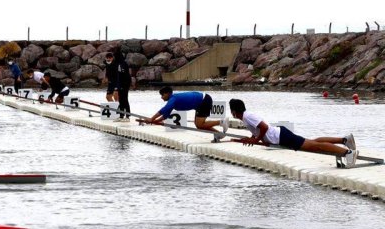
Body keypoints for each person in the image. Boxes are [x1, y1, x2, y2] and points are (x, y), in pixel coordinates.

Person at [228, 99, 357, 166]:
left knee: (315, 146)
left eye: (231, 110)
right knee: (313, 142)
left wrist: (256, 140)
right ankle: (345, 140)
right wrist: (253, 138)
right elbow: (257, 130)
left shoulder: (247, 116)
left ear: (234, 111)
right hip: (280, 135)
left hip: (281, 137)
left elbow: (264, 127)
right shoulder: (245, 117)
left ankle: (348, 153)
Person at [140, 86, 220, 131]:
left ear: (168, 94)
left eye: (162, 95)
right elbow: (166, 115)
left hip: (204, 100)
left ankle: (221, 122)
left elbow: (164, 109)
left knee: (200, 124)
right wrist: (155, 121)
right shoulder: (172, 100)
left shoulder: (173, 99)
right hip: (200, 102)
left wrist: (152, 119)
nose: (161, 97)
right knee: (198, 125)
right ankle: (219, 134)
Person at [104, 49, 133, 118]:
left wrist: (120, 85)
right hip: (116, 82)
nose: (109, 59)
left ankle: (127, 115)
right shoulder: (111, 63)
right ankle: (120, 114)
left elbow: (125, 75)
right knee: (118, 99)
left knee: (123, 99)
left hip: (122, 83)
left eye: (112, 57)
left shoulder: (121, 64)